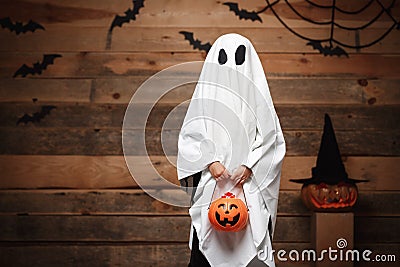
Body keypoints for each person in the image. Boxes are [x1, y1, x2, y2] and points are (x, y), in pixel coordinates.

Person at [177, 33, 286, 267]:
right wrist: (212, 163)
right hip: (211, 186)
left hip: (249, 187)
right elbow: (191, 136)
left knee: (252, 248)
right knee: (205, 249)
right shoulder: (205, 96)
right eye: (224, 57)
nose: (232, 65)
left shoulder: (258, 97)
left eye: (239, 57)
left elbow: (272, 139)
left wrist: (250, 165)